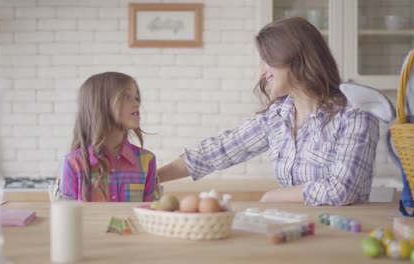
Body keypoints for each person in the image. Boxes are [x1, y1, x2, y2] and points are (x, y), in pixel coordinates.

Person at [157, 17, 380, 206]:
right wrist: (152, 177)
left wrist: (272, 196)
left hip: (342, 238)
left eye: (266, 60)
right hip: (294, 231)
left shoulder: (354, 114)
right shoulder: (278, 117)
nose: (262, 72)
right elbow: (218, 152)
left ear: (294, 58)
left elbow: (341, 189)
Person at [55, 72, 160, 202]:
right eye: (127, 97)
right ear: (100, 105)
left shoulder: (147, 161)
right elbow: (66, 219)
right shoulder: (72, 164)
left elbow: (151, 214)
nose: (136, 103)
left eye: (137, 98)